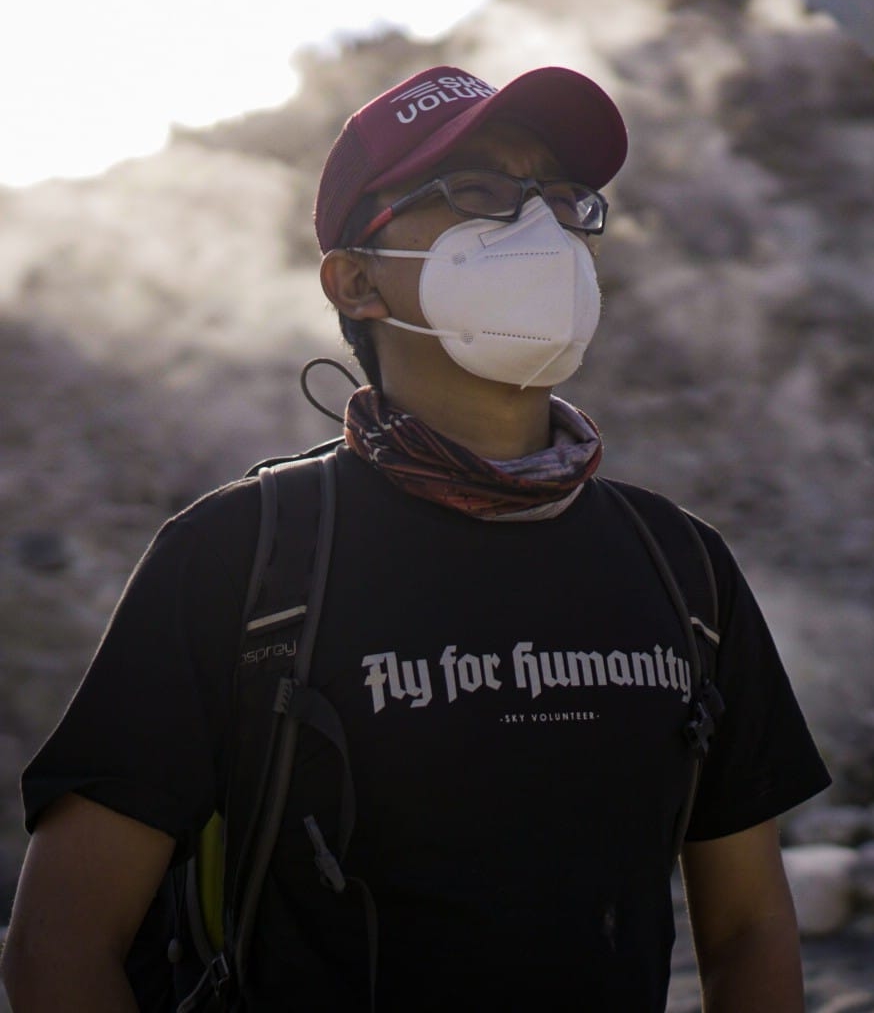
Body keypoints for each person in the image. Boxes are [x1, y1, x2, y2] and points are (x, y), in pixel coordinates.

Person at [0, 64, 830, 1012]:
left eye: (562, 198)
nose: (542, 228)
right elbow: (61, 944)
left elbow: (749, 928)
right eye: (477, 191)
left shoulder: (682, 567)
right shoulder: (243, 557)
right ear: (357, 280)